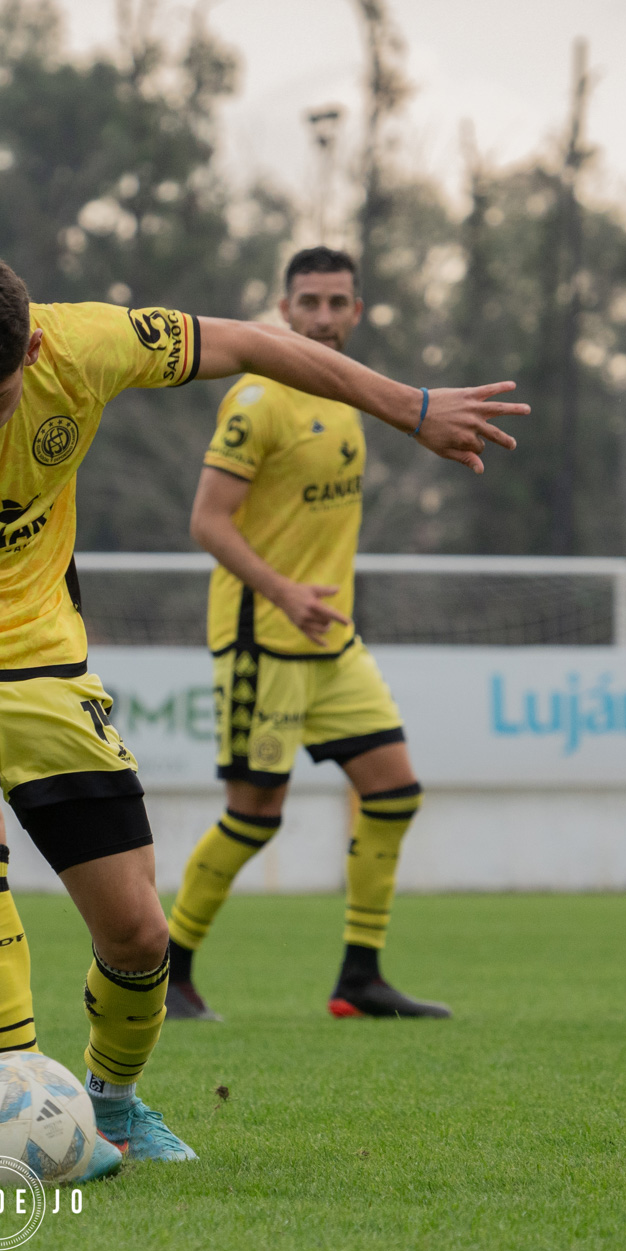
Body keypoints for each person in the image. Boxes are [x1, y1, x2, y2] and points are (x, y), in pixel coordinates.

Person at [0, 252, 524, 1174]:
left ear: (33, 350)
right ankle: (22, 1096)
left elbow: (247, 342)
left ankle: (111, 1110)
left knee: (138, 935)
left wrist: (410, 405)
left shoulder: (87, 345)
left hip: (45, 662)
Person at [165, 247, 453, 1024]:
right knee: (255, 814)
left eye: (337, 303)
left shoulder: (348, 396)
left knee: (393, 792)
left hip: (332, 640)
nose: (324, 317)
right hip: (265, 637)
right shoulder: (257, 399)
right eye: (310, 303)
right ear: (284, 309)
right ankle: (167, 969)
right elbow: (207, 520)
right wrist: (284, 590)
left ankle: (359, 977)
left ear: (358, 311)